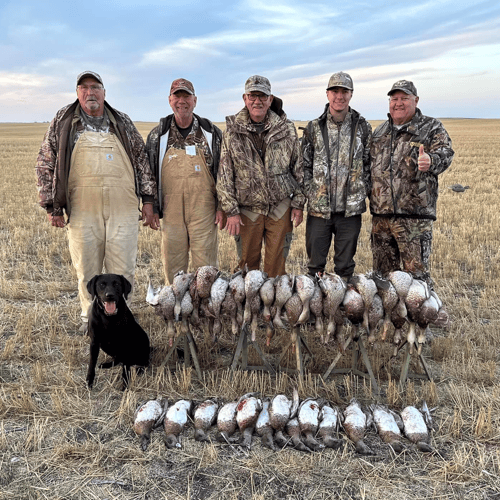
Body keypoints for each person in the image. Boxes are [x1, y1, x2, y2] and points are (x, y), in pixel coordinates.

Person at [36, 71, 157, 331]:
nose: (90, 93)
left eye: (95, 87)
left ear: (104, 92)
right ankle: (89, 319)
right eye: (84, 88)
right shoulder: (65, 121)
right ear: (78, 93)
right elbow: (46, 161)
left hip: (122, 206)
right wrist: (51, 205)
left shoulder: (121, 122)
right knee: (87, 267)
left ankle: (121, 319)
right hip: (83, 206)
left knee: (123, 267)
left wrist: (148, 200)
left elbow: (141, 160)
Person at [217, 75, 305, 277]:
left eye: (262, 96)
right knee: (247, 268)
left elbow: (298, 168)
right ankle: (250, 307)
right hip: (248, 209)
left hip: (279, 207)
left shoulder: (286, 128)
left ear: (270, 99)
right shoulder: (232, 131)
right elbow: (224, 173)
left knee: (276, 268)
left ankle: (272, 308)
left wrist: (298, 203)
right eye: (253, 95)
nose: (257, 101)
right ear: (244, 98)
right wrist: (231, 210)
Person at [369, 80, 454, 284]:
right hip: (381, 220)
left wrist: (431, 160)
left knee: (416, 283)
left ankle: (418, 317)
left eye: (404, 98)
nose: (398, 103)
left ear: (415, 100)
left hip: (414, 220)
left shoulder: (431, 127)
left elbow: (446, 153)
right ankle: (388, 317)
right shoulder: (380, 132)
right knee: (383, 282)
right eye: (394, 98)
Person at [146, 78, 223, 284]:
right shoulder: (158, 136)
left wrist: (223, 206)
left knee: (205, 265)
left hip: (204, 209)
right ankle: (175, 307)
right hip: (171, 211)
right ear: (169, 100)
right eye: (177, 96)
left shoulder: (211, 134)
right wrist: (151, 205)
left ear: (195, 100)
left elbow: (224, 172)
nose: (182, 101)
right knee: (173, 264)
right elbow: (149, 174)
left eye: (186, 96)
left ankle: (205, 309)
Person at [302, 72, 372, 282]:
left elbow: (370, 164)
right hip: (319, 211)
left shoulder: (363, 127)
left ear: (351, 94)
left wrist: (361, 190)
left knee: (345, 267)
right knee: (315, 267)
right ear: (327, 94)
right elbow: (304, 165)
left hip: (349, 213)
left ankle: (343, 310)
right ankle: (315, 311)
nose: (339, 96)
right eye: (335, 91)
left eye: (344, 91)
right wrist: (312, 191)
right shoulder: (314, 127)